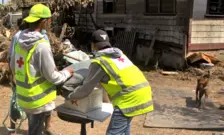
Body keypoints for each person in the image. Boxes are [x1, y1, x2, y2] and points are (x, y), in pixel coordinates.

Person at [66, 29, 154, 135]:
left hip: (128, 99)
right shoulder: (120, 56)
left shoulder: (100, 62)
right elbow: (114, 79)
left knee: (113, 133)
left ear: (93, 46)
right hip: (143, 93)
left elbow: (86, 89)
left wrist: (71, 96)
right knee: (124, 130)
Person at [10, 4, 73, 135]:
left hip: (24, 96)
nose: (50, 23)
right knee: (35, 131)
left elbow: (13, 67)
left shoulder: (19, 41)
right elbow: (52, 77)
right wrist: (67, 72)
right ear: (44, 22)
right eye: (49, 20)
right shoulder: (41, 45)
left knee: (34, 128)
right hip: (38, 100)